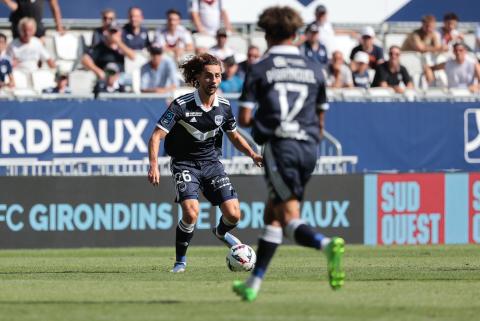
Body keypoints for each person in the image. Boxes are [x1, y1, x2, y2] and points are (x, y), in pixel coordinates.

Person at [234, 6, 345, 302]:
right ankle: (253, 284)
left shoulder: (259, 68)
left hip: (280, 147)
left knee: (287, 218)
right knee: (272, 214)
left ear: (267, 34)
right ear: (296, 35)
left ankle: (326, 244)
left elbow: (244, 118)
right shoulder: (315, 69)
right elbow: (320, 124)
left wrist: (265, 128)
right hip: (310, 148)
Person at [147, 53, 263, 273]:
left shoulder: (225, 106)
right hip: (184, 163)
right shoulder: (181, 104)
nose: (214, 81)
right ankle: (180, 262)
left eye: (218, 76)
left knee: (234, 215)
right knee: (191, 213)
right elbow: (156, 136)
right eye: (208, 76)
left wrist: (252, 154)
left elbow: (234, 136)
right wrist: (153, 165)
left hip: (211, 163)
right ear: (198, 78)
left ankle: (220, 233)